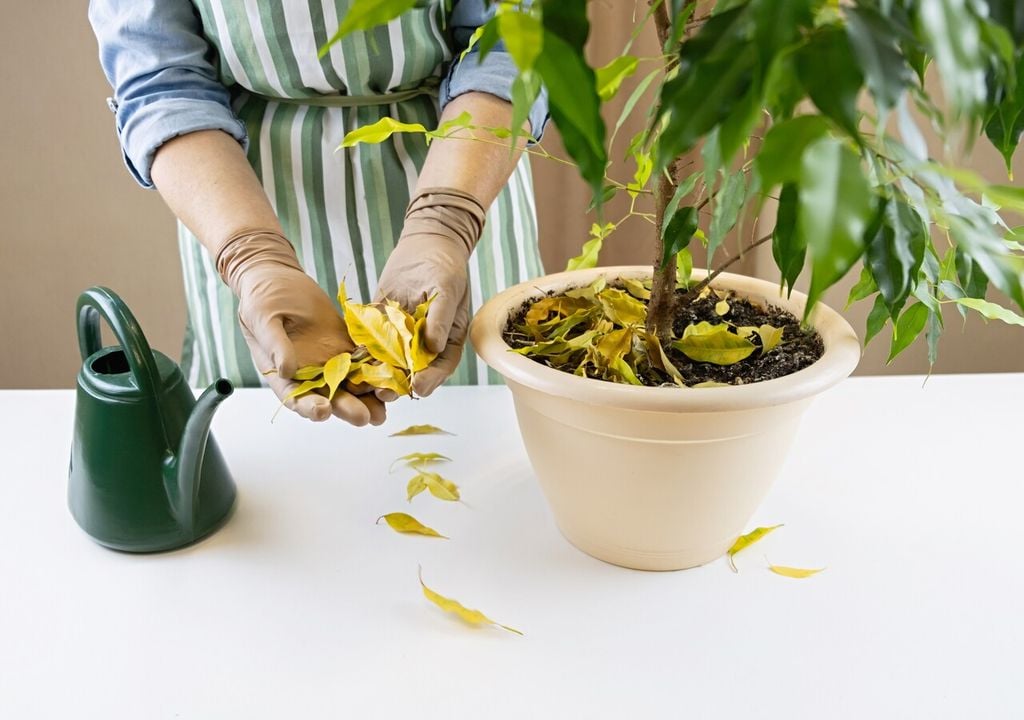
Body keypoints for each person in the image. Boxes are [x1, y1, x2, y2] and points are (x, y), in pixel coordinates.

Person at [88, 0, 547, 426]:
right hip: (239, 193)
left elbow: (512, 38)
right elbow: (161, 81)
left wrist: (445, 221)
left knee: (484, 443)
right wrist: (253, 257)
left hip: (460, 170)